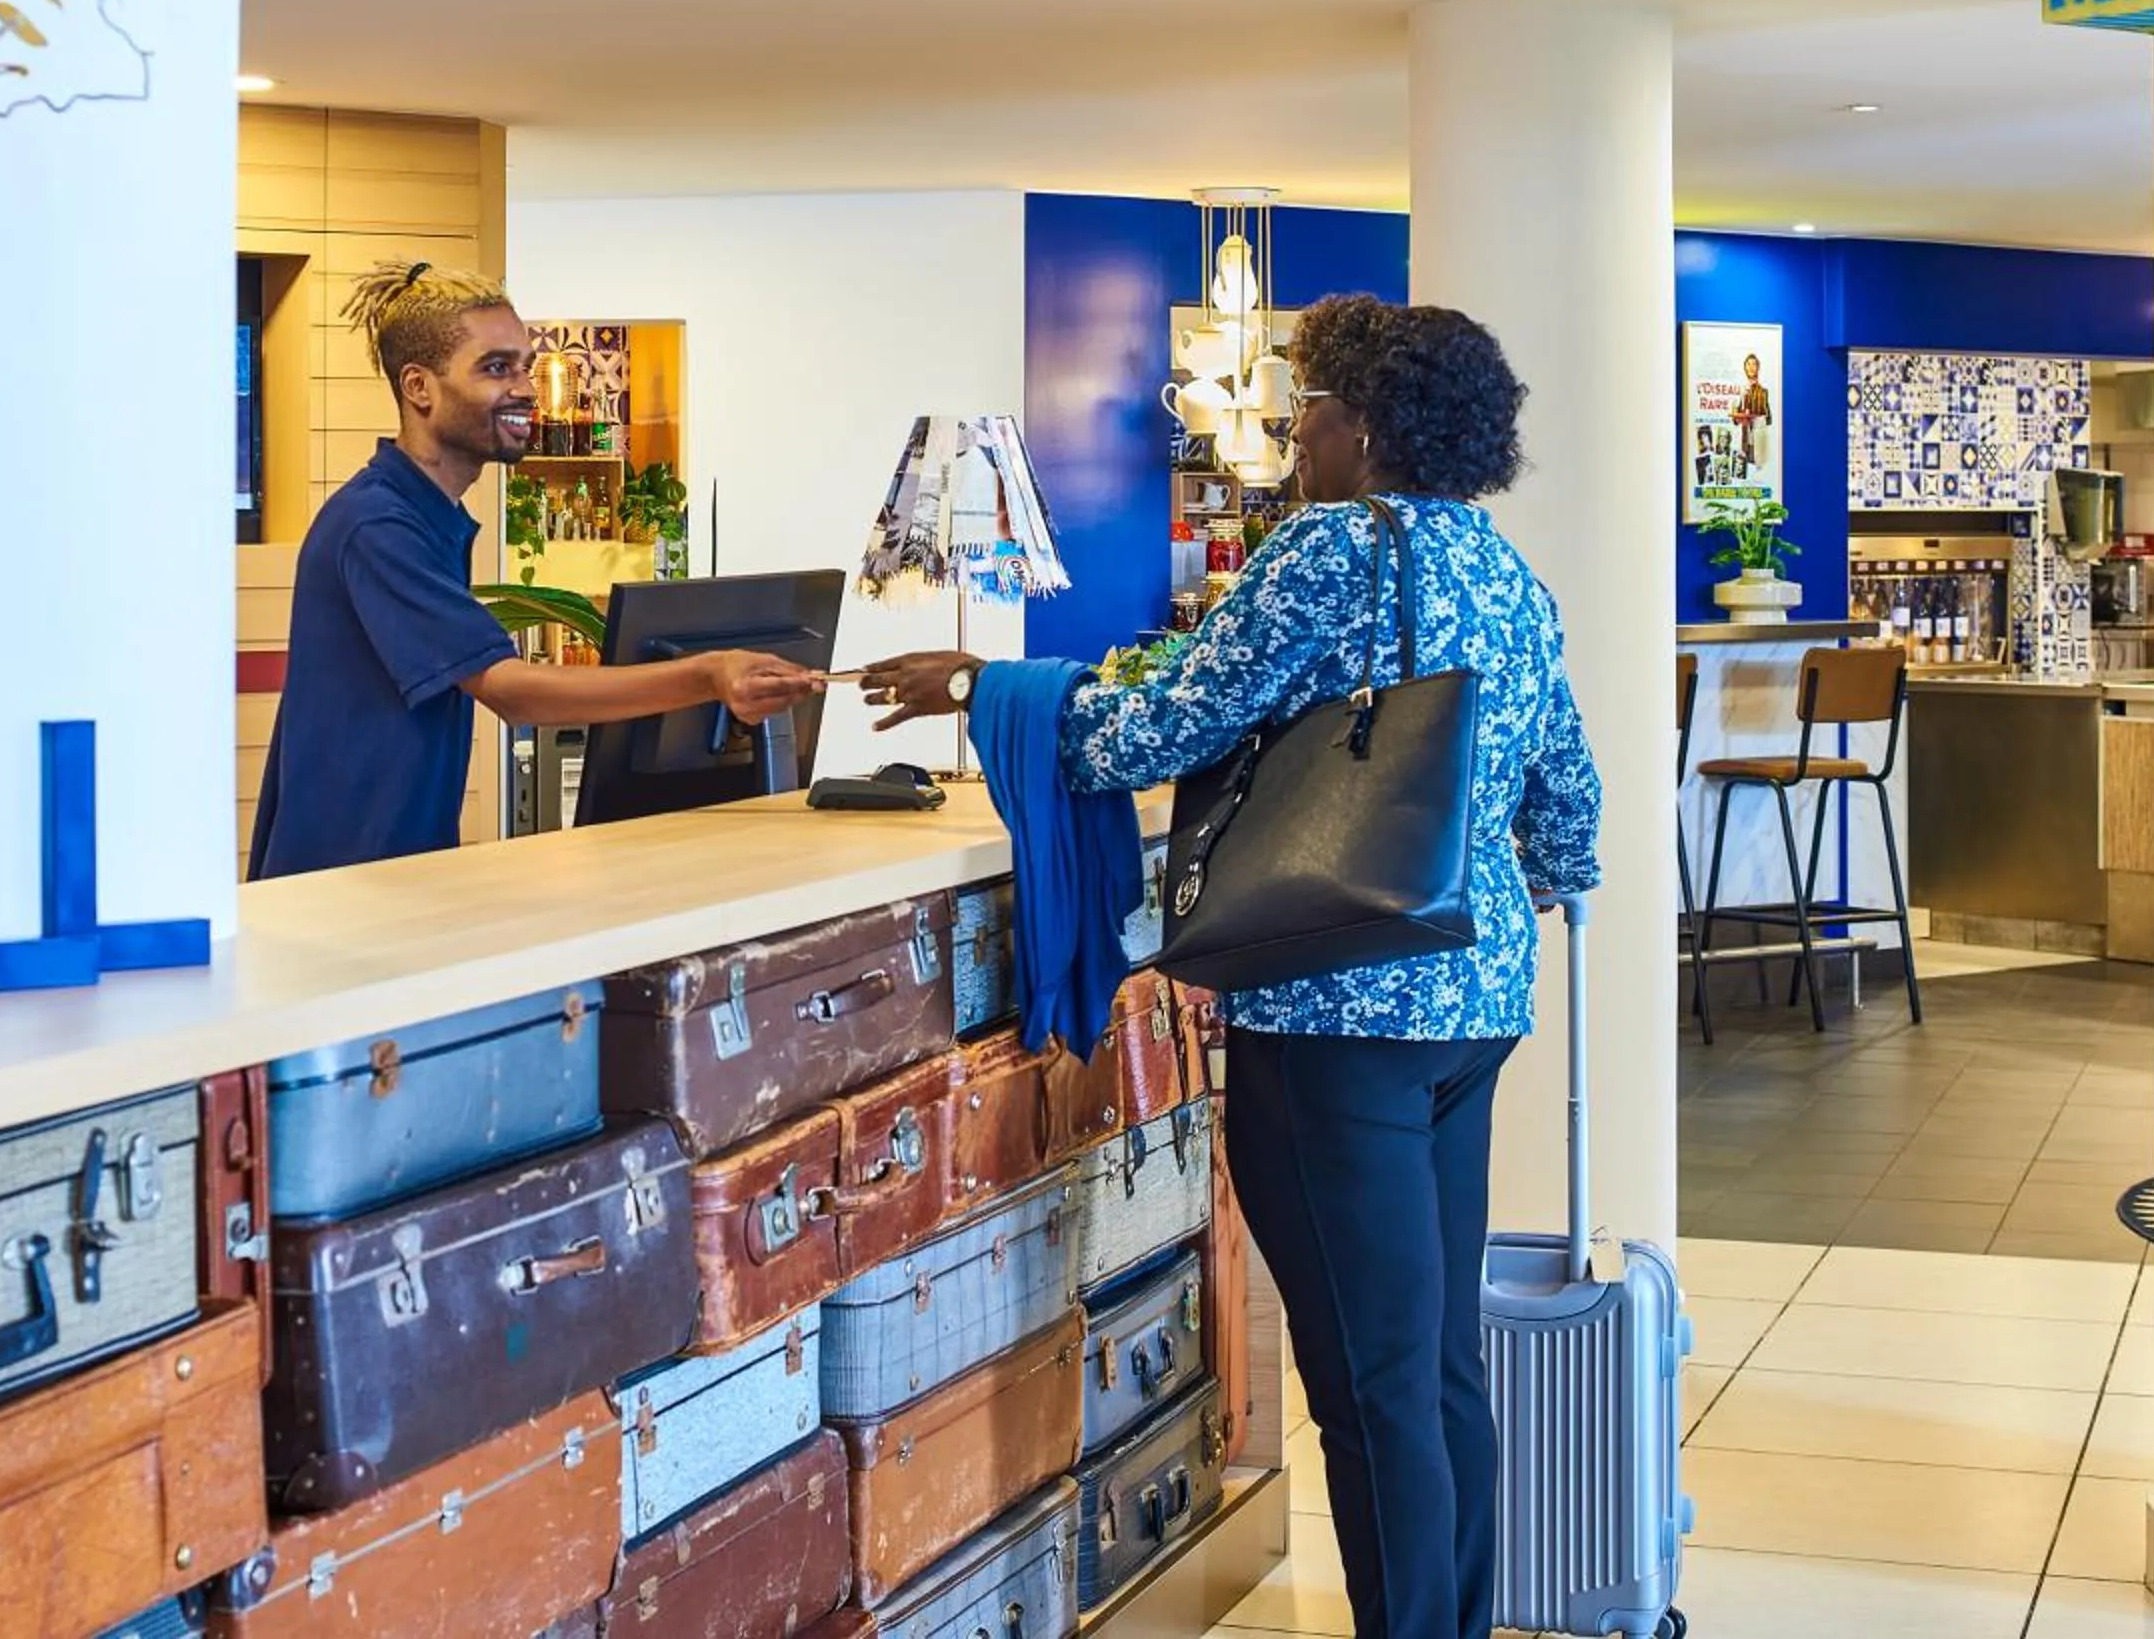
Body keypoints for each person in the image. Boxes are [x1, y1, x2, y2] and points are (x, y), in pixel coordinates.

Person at [860, 294, 1601, 1639]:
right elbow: (1569, 805)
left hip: (1331, 1013)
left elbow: (1160, 728)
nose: (1294, 432)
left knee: (1370, 1386)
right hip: (1471, 1002)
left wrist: (992, 689)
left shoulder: (1324, 548)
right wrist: (1511, 889)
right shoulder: (1505, 569)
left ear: (1364, 428)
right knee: (1432, 1367)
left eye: (1310, 407)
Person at [249, 261, 816, 879]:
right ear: (419, 388)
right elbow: (511, 691)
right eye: (497, 368)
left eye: (524, 365)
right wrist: (709, 676)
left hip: (393, 874)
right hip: (339, 882)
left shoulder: (425, 514)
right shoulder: (377, 525)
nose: (525, 387)